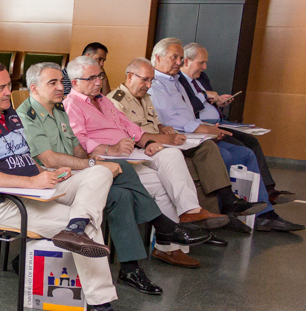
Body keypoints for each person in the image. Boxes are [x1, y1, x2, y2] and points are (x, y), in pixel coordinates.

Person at [0, 60, 142, 311]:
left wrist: (45, 172)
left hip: (39, 188)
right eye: (1, 88)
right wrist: (32, 181)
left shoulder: (9, 115)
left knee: (99, 173)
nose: (9, 92)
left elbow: (19, 160)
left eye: (9, 85)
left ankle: (75, 227)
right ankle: (101, 308)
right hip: (7, 204)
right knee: (91, 227)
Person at [18, 62, 208, 295]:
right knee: (119, 169)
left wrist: (93, 161)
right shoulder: (27, 115)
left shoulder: (58, 110)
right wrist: (93, 163)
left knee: (121, 194)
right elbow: (49, 159)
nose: (61, 87)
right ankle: (164, 226)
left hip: (72, 173)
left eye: (61, 81)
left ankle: (130, 268)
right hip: (49, 182)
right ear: (34, 88)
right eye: (53, 83)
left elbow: (77, 149)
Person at [63, 56, 235, 268]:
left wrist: (148, 142)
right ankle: (169, 244)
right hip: (106, 159)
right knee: (162, 182)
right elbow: (78, 140)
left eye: (99, 76)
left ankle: (189, 213)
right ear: (75, 82)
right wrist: (110, 149)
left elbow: (130, 126)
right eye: (91, 78)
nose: (98, 82)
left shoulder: (103, 100)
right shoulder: (71, 105)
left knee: (170, 155)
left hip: (130, 153)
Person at [147, 39, 298, 233]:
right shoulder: (155, 83)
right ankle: (226, 212)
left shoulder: (176, 80)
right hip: (181, 135)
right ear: (157, 58)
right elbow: (170, 118)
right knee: (224, 155)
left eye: (180, 58)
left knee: (245, 153)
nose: (178, 62)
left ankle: (263, 214)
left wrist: (206, 127)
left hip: (196, 131)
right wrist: (206, 129)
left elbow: (188, 111)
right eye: (174, 57)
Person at [109, 57, 259, 239]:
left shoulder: (145, 96)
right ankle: (196, 222)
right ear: (130, 77)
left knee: (206, 148)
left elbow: (153, 122)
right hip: (141, 150)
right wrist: (167, 138)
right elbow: (130, 136)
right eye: (144, 80)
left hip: (158, 143)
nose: (148, 85)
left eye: (151, 80)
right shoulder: (116, 100)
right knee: (183, 162)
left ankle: (209, 212)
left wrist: (162, 127)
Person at [181, 42, 295, 207]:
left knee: (251, 141)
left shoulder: (201, 78)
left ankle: (268, 190)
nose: (204, 67)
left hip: (219, 121)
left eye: (205, 62)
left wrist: (219, 102)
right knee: (241, 148)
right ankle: (252, 198)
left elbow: (209, 103)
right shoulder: (180, 83)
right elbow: (189, 109)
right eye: (201, 63)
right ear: (186, 61)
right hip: (203, 126)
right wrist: (205, 95)